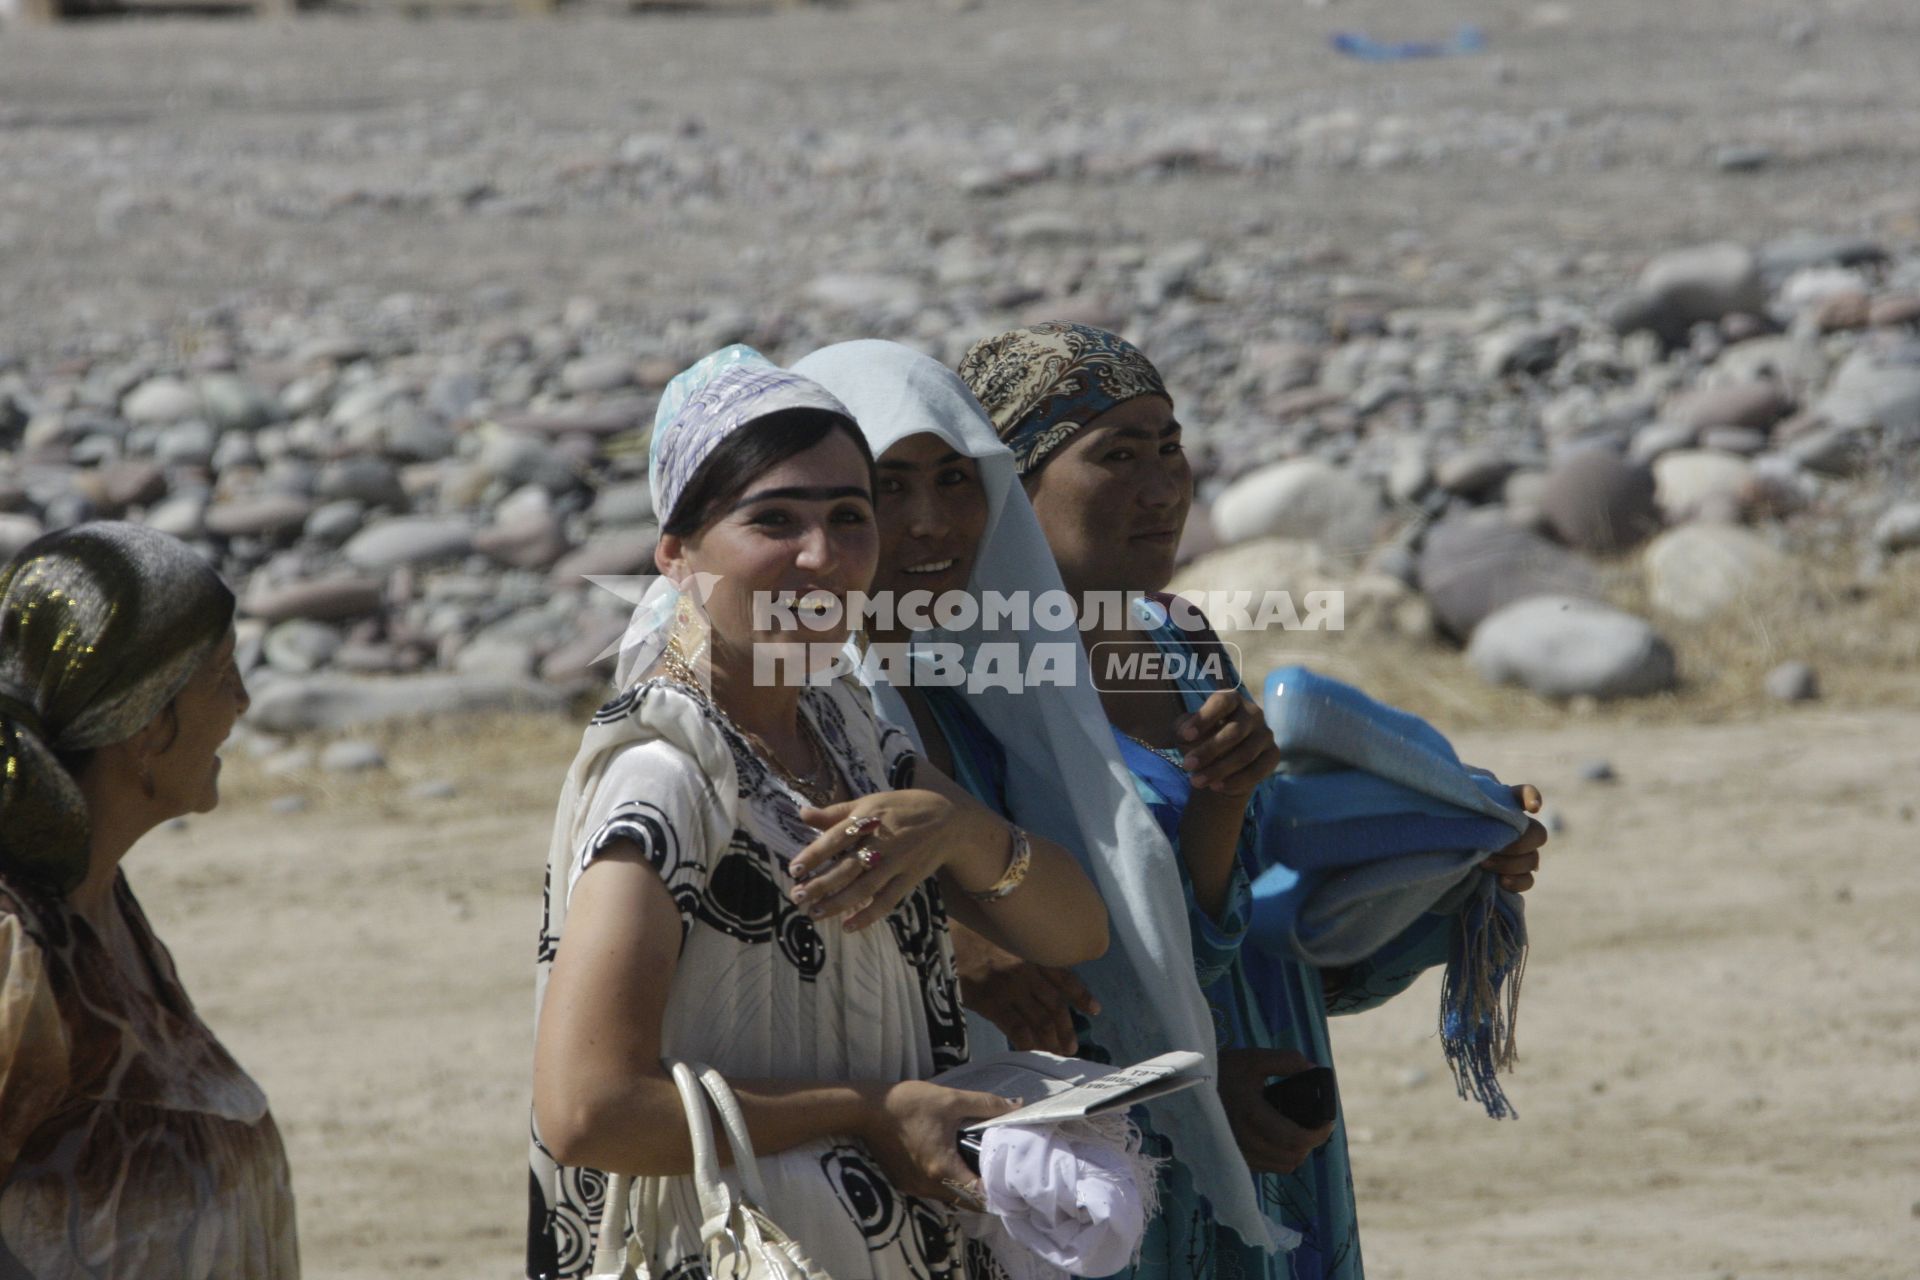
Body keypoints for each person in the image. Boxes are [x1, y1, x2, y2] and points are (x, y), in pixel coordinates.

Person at [957, 322, 1548, 1280]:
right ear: (1013, 488)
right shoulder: (969, 692)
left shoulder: (1184, 647)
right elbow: (1018, 977)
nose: (1163, 488)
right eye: (1116, 456)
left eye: (1171, 447)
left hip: (1274, 1118)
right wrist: (1193, 1083)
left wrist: (1451, 866)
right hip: (1108, 1156)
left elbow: (1276, 917)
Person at [526, 356, 1109, 1280]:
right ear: (677, 552)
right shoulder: (668, 781)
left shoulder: (846, 734)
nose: (821, 556)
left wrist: (964, 833)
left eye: (848, 517)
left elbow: (1075, 931)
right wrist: (864, 1109)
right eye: (773, 520)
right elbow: (588, 1111)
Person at [792, 338, 1297, 1259]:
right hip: (863, 1168)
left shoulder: (1001, 690)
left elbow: (1129, 940)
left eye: (955, 481)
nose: (932, 523)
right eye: (888, 486)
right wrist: (946, 936)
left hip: (1083, 1138)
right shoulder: (783, 705)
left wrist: (1222, 797)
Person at [0, 521, 297, 1280]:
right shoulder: (17, 946)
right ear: (147, 726)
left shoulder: (99, 903)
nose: (243, 700)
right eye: (223, 674)